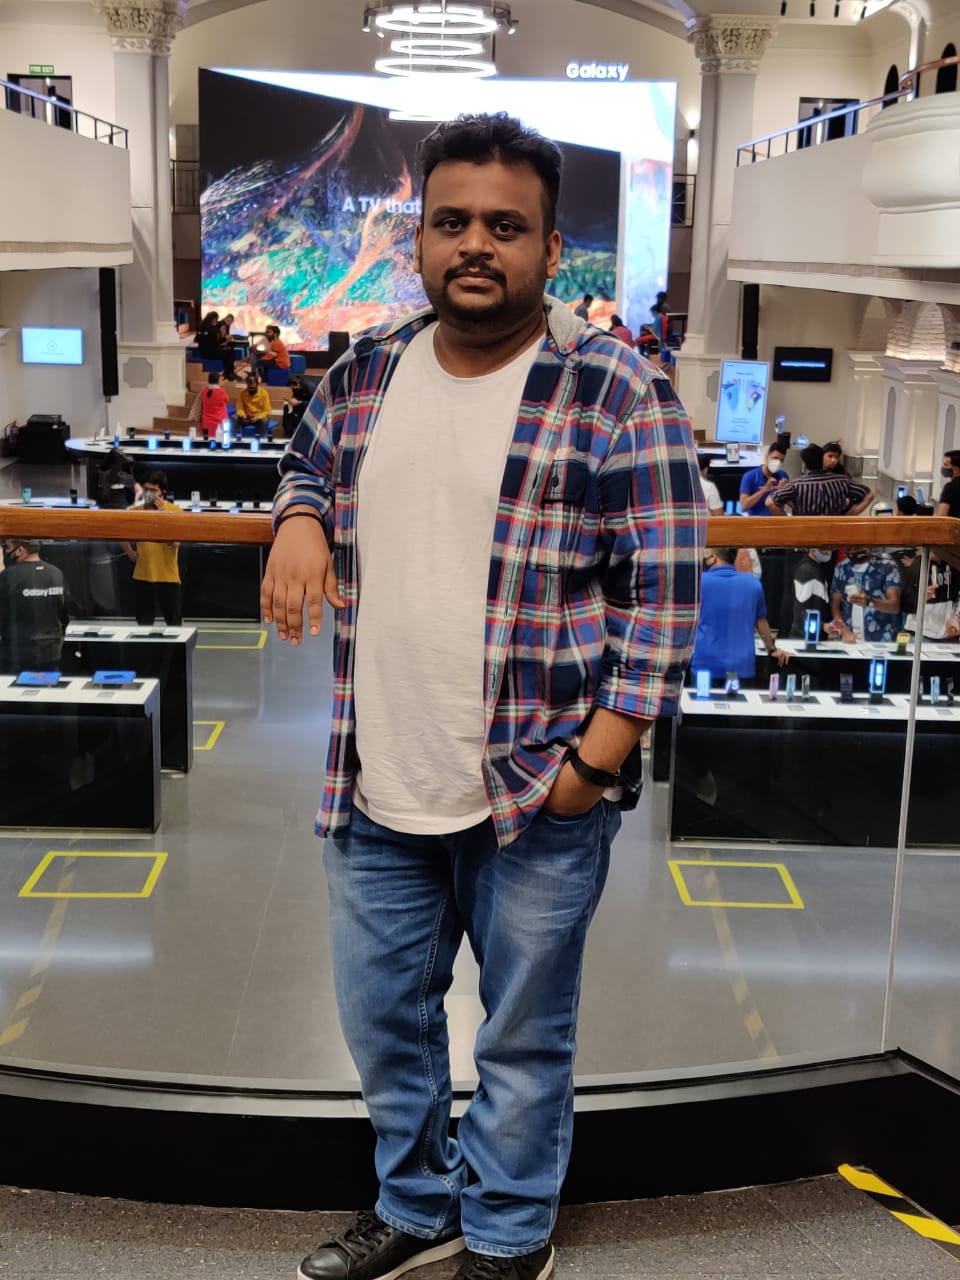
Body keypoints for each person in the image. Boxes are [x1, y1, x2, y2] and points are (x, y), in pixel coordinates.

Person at [261, 111, 704, 1280]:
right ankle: (417, 1207)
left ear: (551, 248)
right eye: (451, 221)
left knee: (521, 1034)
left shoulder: (616, 388)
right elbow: (306, 460)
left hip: (535, 786)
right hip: (377, 778)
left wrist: (592, 767)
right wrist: (300, 516)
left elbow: (662, 600)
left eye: (506, 227)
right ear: (418, 237)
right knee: (384, 1024)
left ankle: (508, 1230)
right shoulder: (368, 369)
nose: (475, 244)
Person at [691, 546, 789, 681]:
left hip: (705, 664)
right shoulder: (753, 583)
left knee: (702, 696)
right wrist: (772, 649)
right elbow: (760, 621)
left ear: (713, 558)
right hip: (740, 666)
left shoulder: (699, 582)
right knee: (736, 695)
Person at [121, 471, 182, 626]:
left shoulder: (175, 511)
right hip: (143, 575)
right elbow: (120, 534)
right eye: (146, 489)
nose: (149, 494)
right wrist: (131, 554)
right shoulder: (135, 512)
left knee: (174, 622)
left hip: (168, 576)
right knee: (143, 623)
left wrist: (162, 518)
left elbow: (175, 543)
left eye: (153, 490)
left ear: (163, 492)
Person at [0, 539, 69, 672]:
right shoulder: (56, 573)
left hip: (17, 656)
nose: (5, 551)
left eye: (7, 547)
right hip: (51, 654)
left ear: (20, 550)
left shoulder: (9, 576)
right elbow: (64, 615)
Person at [768, 444, 870, 516]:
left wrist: (787, 520)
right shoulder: (843, 481)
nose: (833, 460)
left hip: (805, 535)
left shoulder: (797, 485)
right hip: (833, 534)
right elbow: (869, 495)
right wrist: (848, 517)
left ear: (804, 465)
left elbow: (770, 503)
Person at [830, 548, 902, 642]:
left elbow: (894, 606)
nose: (852, 549)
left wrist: (869, 602)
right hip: (849, 640)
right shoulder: (841, 568)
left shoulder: (887, 566)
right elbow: (835, 607)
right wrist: (843, 631)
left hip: (880, 640)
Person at [788, 547, 833, 639]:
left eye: (830, 548)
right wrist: (822, 626)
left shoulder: (817, 569)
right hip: (803, 637)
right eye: (824, 548)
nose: (829, 552)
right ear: (812, 548)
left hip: (813, 635)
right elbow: (801, 609)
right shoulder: (806, 571)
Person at [739, 442, 788, 516]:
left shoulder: (782, 475)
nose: (778, 463)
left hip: (777, 518)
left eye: (781, 460)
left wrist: (784, 491)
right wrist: (763, 490)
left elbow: (790, 504)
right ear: (767, 457)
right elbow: (744, 505)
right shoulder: (750, 476)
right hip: (757, 519)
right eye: (775, 458)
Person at [193, 370, 230, 436]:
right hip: (219, 422)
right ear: (218, 381)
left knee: (206, 439)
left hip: (206, 422)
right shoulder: (221, 392)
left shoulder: (204, 390)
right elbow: (226, 400)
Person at [936, 450, 960, 518]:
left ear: (955, 469)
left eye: (946, 465)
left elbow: (942, 517)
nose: (943, 467)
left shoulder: (950, 487)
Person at [215, 312, 238, 380]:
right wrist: (228, 339)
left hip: (219, 344)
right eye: (228, 321)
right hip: (218, 346)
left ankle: (228, 372)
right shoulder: (222, 325)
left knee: (231, 350)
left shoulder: (225, 324)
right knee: (230, 353)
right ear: (226, 319)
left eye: (231, 322)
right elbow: (224, 337)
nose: (229, 323)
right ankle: (229, 373)